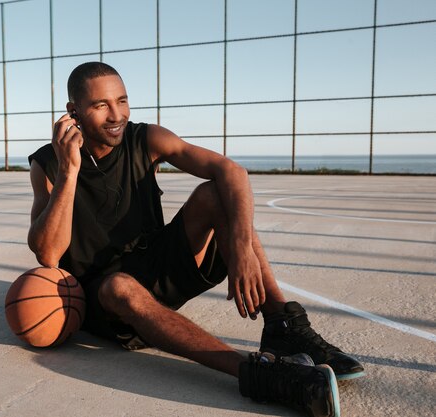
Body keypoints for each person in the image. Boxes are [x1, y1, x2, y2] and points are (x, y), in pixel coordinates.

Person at [28, 62, 363, 417]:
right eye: (101, 105)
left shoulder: (145, 138)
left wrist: (241, 248)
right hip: (106, 301)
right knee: (119, 287)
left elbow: (231, 170)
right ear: (73, 112)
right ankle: (258, 373)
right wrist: (69, 171)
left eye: (122, 101)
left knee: (216, 196)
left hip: (156, 268)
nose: (116, 115)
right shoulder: (49, 164)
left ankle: (283, 324)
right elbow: (48, 254)